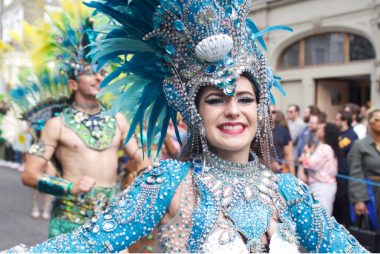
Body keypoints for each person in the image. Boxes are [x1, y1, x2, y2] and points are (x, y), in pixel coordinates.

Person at [7, 0, 366, 252]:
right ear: (194, 112)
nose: (232, 110)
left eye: (244, 99)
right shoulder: (170, 184)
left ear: (260, 110)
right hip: (71, 214)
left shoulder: (290, 192)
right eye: (215, 99)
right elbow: (87, 244)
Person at [18, 2, 150, 238]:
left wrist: (139, 185)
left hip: (110, 219)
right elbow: (29, 174)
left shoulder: (118, 119)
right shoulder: (55, 125)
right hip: (69, 222)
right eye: (89, 72)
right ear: (72, 84)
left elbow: (142, 160)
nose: (98, 77)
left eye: (101, 72)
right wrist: (69, 187)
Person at [298, 123, 340, 216]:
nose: (317, 130)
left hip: (322, 185)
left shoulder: (325, 148)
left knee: (321, 214)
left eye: (320, 129)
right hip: (324, 184)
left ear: (325, 133)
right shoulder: (326, 147)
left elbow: (311, 164)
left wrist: (306, 154)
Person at [349, 108, 380, 224]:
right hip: (371, 193)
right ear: (369, 122)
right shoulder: (360, 145)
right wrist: (359, 200)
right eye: (376, 119)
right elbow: (355, 173)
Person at [333, 111, 358, 227]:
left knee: (343, 199)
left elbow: (343, 150)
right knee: (336, 200)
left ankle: (347, 225)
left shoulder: (351, 135)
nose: (335, 121)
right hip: (334, 171)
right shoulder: (336, 133)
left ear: (344, 121)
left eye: (337, 119)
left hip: (345, 172)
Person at [271, 107, 295, 175]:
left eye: (273, 112)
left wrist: (292, 175)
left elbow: (289, 154)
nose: (270, 114)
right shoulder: (256, 130)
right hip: (259, 172)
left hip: (278, 172)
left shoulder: (283, 130)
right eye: (267, 111)